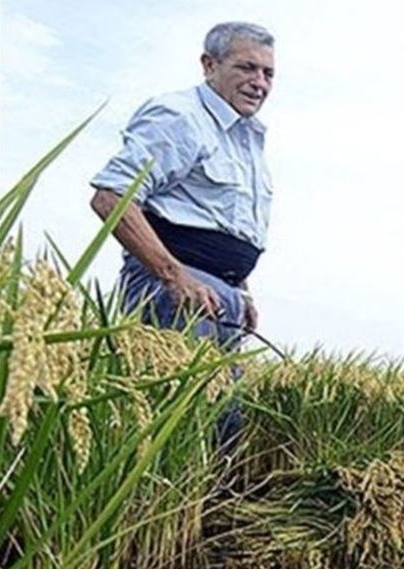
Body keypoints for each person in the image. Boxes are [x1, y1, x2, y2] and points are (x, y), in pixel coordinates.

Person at [89, 21, 275, 453]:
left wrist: (240, 290)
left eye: (268, 73)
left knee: (225, 423)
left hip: (218, 296)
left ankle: (205, 518)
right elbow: (111, 195)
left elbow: (220, 222)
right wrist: (174, 277)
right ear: (209, 65)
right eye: (247, 67)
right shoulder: (181, 117)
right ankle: (162, 516)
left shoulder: (247, 139)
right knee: (185, 425)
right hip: (175, 292)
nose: (259, 82)